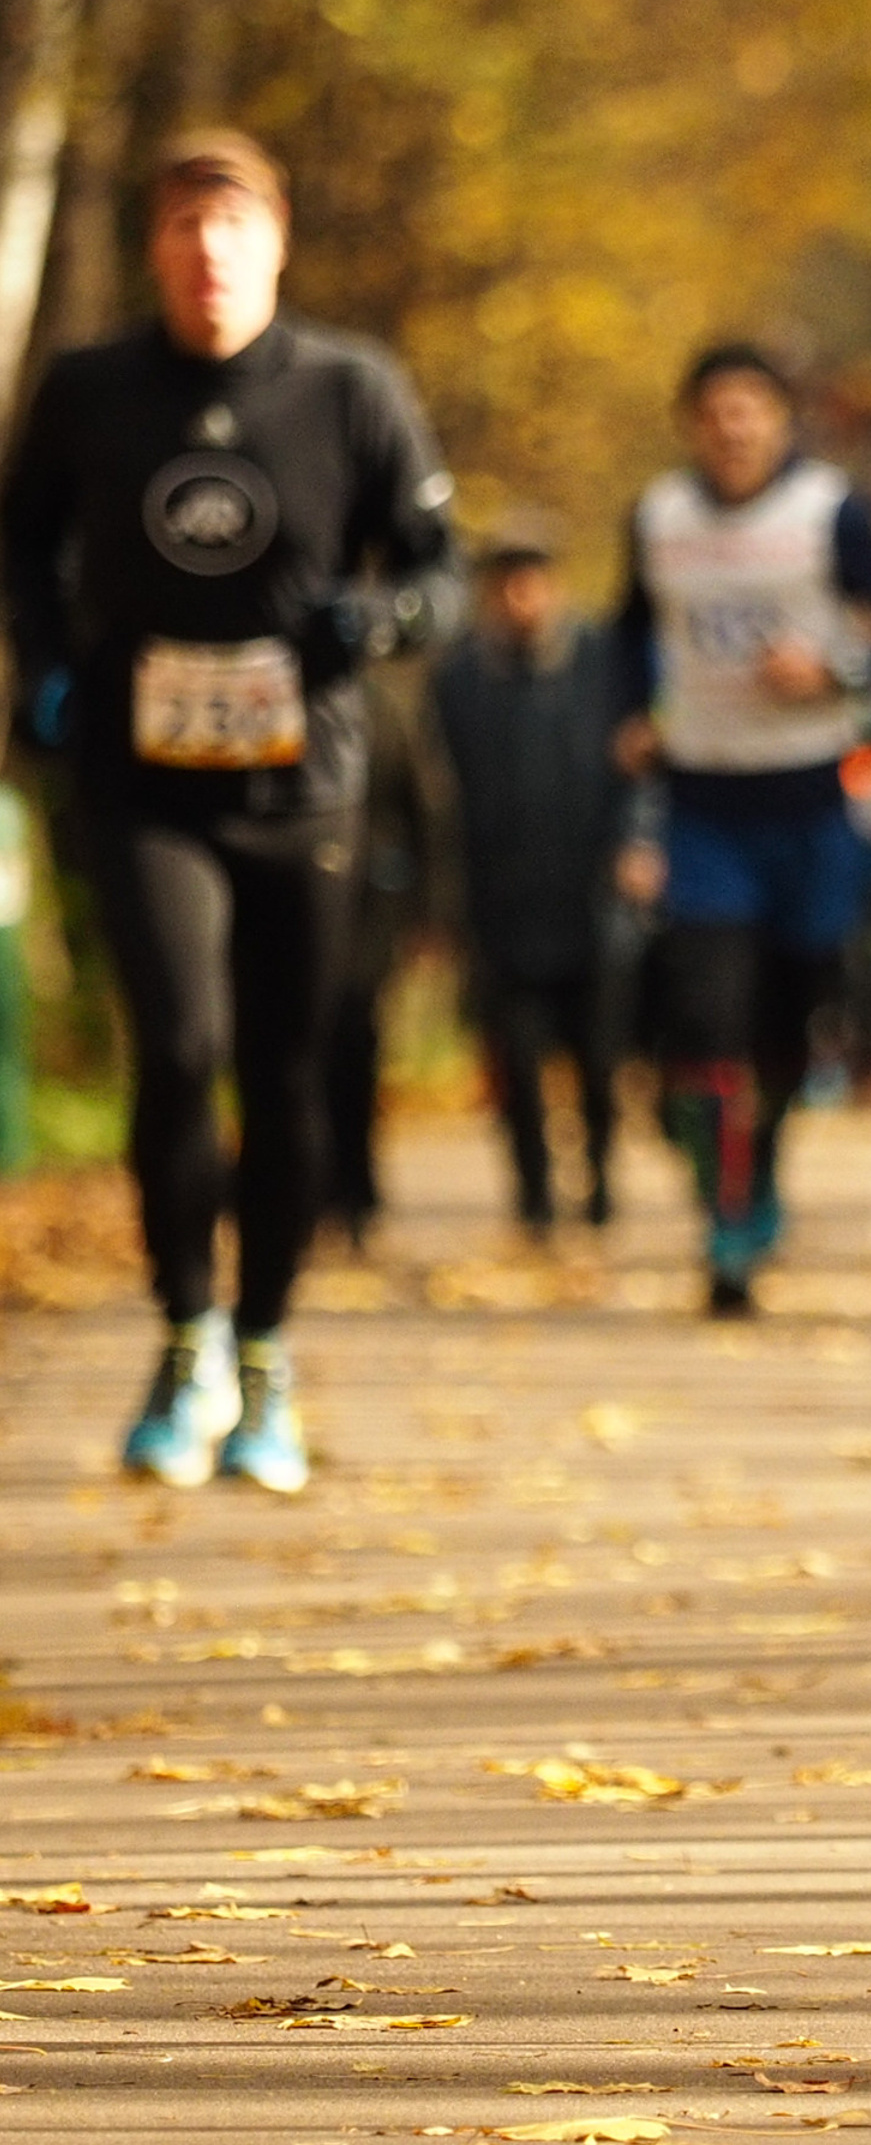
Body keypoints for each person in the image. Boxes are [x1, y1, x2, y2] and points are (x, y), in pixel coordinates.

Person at [0, 127, 463, 1491]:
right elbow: (22, 540)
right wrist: (50, 667)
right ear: (157, 251)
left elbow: (437, 567)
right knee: (179, 1044)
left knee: (284, 1068)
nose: (209, 256)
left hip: (301, 786)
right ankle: (183, 1335)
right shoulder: (91, 392)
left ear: (274, 246)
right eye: (185, 231)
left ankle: (265, 1356)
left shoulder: (349, 387)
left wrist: (369, 622)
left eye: (234, 230)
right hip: (144, 785)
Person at [615, 345, 871, 1314]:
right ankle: (727, 1214)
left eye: (750, 410)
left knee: (790, 1023)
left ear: (782, 421)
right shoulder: (657, 519)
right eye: (713, 411)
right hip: (705, 803)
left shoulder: (830, 514)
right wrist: (628, 719)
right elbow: (629, 631)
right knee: (707, 1015)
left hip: (809, 806)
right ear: (690, 424)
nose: (732, 428)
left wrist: (834, 669)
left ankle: (765, 1169)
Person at [431, 510, 634, 1235]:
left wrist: (637, 845)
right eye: (508, 581)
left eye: (534, 580)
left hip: (591, 890)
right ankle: (534, 1194)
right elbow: (442, 794)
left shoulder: (601, 660)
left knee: (599, 1058)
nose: (522, 596)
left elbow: (637, 767)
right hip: (499, 899)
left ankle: (602, 1180)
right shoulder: (460, 679)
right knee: (515, 1061)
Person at [321, 665, 434, 1248]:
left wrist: (428, 913)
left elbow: (423, 808)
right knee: (299, 1049)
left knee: (355, 1041)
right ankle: (310, 1186)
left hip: (370, 905)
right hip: (301, 895)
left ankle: (358, 1187)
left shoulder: (383, 706)